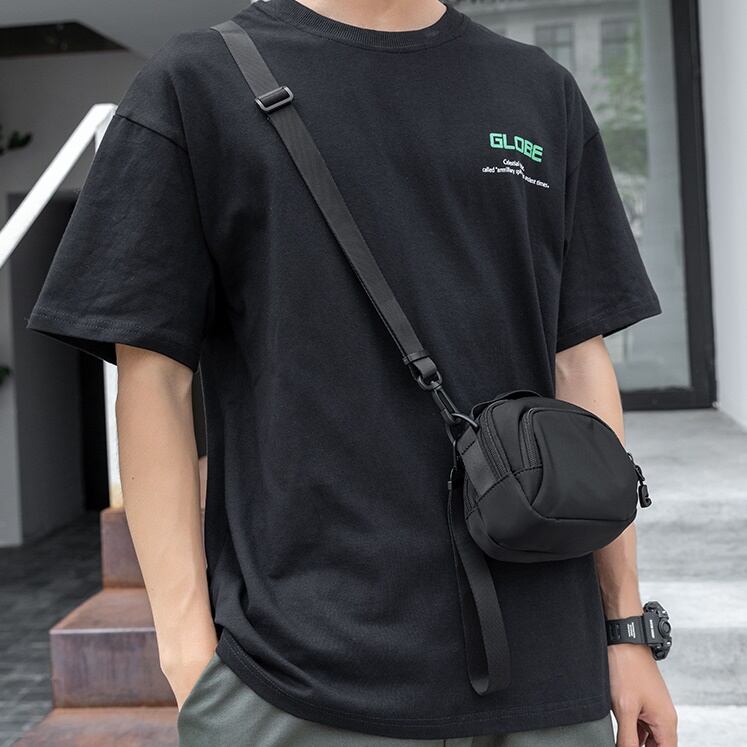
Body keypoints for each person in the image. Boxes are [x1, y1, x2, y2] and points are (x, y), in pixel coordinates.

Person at [26, 1, 678, 745]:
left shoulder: (538, 88)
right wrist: (186, 657)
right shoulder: (196, 83)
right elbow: (152, 378)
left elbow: (578, 361)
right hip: (299, 682)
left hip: (551, 678)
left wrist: (624, 627)